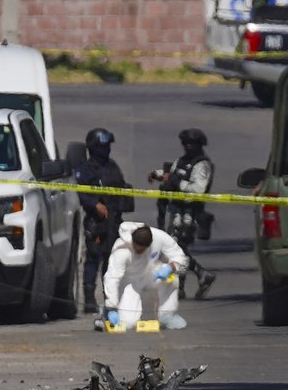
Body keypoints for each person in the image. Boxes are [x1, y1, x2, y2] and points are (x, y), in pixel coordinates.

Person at [148, 128, 217, 300]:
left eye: (191, 143)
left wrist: (176, 182)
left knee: (176, 248)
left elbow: (197, 190)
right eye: (185, 143)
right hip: (175, 211)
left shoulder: (202, 165)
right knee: (177, 249)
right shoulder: (182, 160)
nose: (187, 146)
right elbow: (171, 173)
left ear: (199, 145)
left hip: (190, 213)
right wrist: (158, 175)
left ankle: (201, 274)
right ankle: (183, 285)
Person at [75, 127, 133, 313]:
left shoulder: (112, 166)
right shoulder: (86, 169)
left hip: (114, 222)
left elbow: (121, 186)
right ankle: (90, 299)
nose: (107, 148)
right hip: (96, 223)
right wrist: (95, 205)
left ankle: (110, 297)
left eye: (108, 145)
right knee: (93, 257)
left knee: (111, 260)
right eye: (103, 145)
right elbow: (82, 193)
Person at [100, 223, 189, 331]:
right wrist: (111, 306)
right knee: (128, 323)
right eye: (136, 248)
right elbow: (112, 278)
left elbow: (180, 257)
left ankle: (167, 315)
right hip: (130, 281)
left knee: (172, 278)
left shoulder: (159, 236)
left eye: (142, 249)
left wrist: (171, 267)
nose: (138, 251)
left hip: (152, 274)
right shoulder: (121, 250)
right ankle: (106, 312)